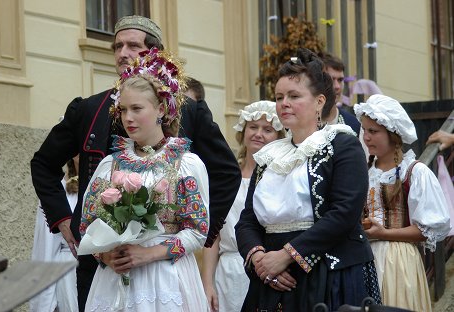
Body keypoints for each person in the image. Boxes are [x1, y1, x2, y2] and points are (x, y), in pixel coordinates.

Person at [30, 15, 241, 311]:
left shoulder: (188, 110)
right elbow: (43, 164)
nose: (122, 53)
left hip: (163, 268)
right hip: (101, 266)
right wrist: (65, 222)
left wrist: (191, 230)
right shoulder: (89, 108)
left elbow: (226, 173)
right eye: (117, 46)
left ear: (153, 53)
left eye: (132, 45)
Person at [235, 48, 381, 311]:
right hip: (271, 277)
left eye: (294, 96)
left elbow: (344, 213)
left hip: (329, 274)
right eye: (279, 97)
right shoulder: (271, 154)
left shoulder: (342, 144)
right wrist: (260, 260)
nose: (284, 103)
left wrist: (286, 256)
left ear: (319, 101)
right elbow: (247, 219)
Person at [81, 48, 209, 311]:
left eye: (137, 108)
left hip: (165, 277)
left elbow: (197, 230)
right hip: (117, 277)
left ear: (161, 108)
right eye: (123, 109)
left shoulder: (185, 164)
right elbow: (87, 224)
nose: (128, 118)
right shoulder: (110, 164)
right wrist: (106, 255)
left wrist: (149, 254)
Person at [354, 94, 451, 311]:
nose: (366, 137)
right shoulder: (363, 173)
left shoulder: (414, 172)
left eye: (374, 131)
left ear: (393, 135)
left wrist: (384, 234)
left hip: (398, 260)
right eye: (365, 130)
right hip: (363, 258)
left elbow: (429, 229)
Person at [201, 101, 285, 312]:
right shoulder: (227, 177)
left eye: (267, 129)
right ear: (243, 131)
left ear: (279, 136)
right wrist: (208, 282)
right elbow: (215, 235)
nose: (258, 134)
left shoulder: (281, 178)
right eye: (253, 127)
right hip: (227, 271)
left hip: (264, 268)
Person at [30, 156, 79, 312]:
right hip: (70, 274)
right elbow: (45, 249)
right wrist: (43, 305)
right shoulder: (56, 192)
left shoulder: (116, 186)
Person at [319, 52, 361, 135]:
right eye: (331, 80)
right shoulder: (302, 122)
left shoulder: (354, 125)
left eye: (340, 80)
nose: (337, 86)